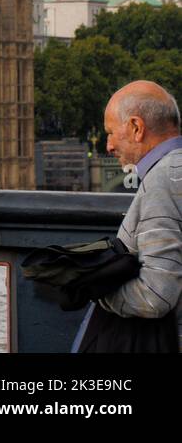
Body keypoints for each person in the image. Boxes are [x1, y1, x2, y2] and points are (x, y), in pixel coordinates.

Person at [72, 80, 182, 351]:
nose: (107, 145)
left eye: (110, 132)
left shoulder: (162, 181)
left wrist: (95, 291)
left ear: (136, 127)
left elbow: (156, 295)